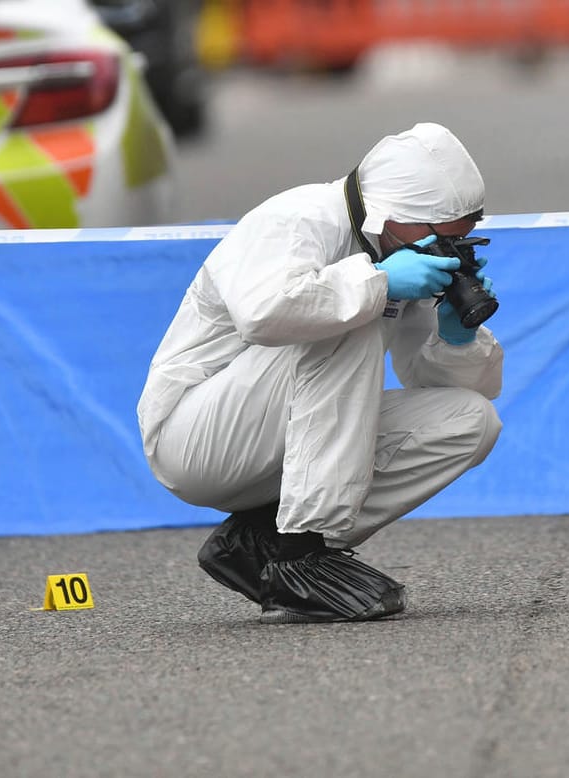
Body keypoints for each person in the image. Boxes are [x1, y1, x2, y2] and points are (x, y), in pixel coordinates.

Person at [136, 123, 504, 624]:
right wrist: (376, 283)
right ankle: (300, 556)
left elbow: (453, 390)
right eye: (438, 237)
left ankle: (262, 541)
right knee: (347, 320)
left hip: (276, 452)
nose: (446, 251)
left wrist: (456, 337)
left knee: (471, 421)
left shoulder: (394, 249)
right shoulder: (296, 218)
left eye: (461, 240)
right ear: (387, 216)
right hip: (196, 439)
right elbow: (264, 314)